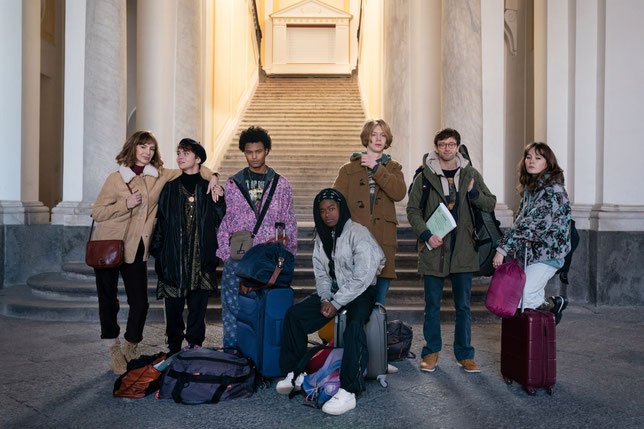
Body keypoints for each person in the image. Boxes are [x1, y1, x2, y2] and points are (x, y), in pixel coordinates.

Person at [91, 131, 222, 375]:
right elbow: (97, 212)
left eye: (151, 148)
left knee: (139, 303)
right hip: (109, 244)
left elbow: (195, 168)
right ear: (133, 148)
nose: (147, 152)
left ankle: (131, 344)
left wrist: (213, 176)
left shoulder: (159, 175)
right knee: (108, 302)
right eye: (142, 147)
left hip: (136, 248)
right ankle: (113, 348)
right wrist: (125, 204)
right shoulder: (115, 178)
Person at [276, 189, 385, 416]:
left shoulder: (358, 233)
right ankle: (294, 373)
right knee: (295, 316)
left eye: (332, 208)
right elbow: (322, 274)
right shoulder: (323, 237)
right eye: (322, 211)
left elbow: (363, 276)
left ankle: (348, 390)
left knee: (355, 327)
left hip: (361, 292)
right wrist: (326, 298)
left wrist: (336, 302)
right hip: (334, 293)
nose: (327, 214)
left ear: (341, 208)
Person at [406, 128, 496, 374]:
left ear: (458, 147)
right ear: (436, 147)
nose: (447, 148)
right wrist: (426, 234)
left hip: (463, 248)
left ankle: (464, 355)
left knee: (463, 306)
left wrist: (473, 193)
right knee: (432, 305)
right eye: (442, 144)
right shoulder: (424, 175)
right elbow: (412, 210)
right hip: (434, 246)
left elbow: (490, 202)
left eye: (452, 144)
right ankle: (431, 353)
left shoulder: (470, 173)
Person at [216, 126, 297, 350]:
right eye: (249, 152)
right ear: (244, 152)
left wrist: (287, 258)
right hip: (240, 256)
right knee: (233, 306)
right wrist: (224, 253)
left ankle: (263, 355)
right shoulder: (234, 183)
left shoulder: (281, 184)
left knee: (265, 308)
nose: (254, 156)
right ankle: (234, 353)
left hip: (268, 258)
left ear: (267, 151)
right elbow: (228, 219)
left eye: (258, 151)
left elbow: (289, 221)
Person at [150, 139, 226, 355]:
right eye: (179, 152)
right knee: (172, 311)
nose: (180, 157)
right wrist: (160, 253)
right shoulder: (170, 188)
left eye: (186, 153)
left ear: (198, 159)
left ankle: (194, 348)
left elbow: (221, 220)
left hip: (201, 262)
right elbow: (161, 222)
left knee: (197, 311)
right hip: (172, 260)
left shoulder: (208, 187)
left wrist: (219, 198)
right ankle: (173, 349)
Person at [492, 142, 571, 323]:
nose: (531, 161)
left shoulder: (552, 191)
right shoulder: (533, 189)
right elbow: (520, 222)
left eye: (538, 157)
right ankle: (541, 334)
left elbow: (532, 226)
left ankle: (552, 306)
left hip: (548, 255)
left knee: (525, 296)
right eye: (528, 157)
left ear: (548, 163)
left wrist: (503, 248)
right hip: (531, 255)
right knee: (525, 299)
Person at [333, 119, 406, 306]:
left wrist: (376, 167)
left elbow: (399, 193)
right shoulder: (348, 169)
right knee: (356, 299)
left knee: (379, 301)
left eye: (382, 135)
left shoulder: (394, 168)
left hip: (383, 238)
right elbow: (335, 203)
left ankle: (376, 334)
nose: (378, 138)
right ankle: (357, 335)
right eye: (374, 134)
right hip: (357, 238)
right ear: (366, 138)